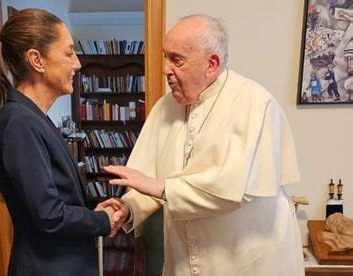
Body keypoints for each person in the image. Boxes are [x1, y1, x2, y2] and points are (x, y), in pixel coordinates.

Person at [98, 15, 304, 275]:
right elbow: (147, 179)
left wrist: (162, 187)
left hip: (248, 259)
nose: (165, 69)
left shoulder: (255, 104)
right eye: (165, 57)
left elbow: (231, 189)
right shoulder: (165, 107)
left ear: (212, 64)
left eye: (176, 59)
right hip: (186, 257)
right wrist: (127, 208)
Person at [0, 8, 122, 276]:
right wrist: (101, 220)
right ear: (37, 60)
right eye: (69, 53)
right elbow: (48, 214)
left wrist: (93, 211)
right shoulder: (19, 123)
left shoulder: (34, 118)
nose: (77, 63)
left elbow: (55, 199)